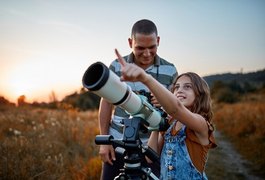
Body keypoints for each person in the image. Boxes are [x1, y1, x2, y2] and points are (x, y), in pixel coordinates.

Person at [115, 48, 217, 179]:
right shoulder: (170, 125)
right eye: (176, 87)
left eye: (187, 87)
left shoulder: (201, 123)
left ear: (200, 94)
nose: (180, 90)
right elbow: (150, 156)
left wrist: (146, 78)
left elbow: (176, 108)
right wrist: (157, 119)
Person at [99, 19, 178, 179]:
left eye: (152, 47)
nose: (147, 53)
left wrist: (164, 102)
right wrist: (105, 142)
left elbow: (177, 109)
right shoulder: (116, 66)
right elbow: (106, 103)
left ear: (158, 41)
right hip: (118, 144)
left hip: (154, 150)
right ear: (130, 42)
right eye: (140, 48)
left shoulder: (170, 70)